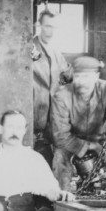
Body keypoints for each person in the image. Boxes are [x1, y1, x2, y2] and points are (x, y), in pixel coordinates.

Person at [50, 55, 106, 188]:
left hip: (102, 142)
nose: (81, 81)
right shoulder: (61, 96)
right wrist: (90, 146)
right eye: (78, 76)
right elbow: (60, 136)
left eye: (86, 76)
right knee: (59, 157)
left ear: (96, 76)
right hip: (72, 143)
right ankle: (62, 196)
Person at [31, 10, 71, 161]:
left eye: (54, 27)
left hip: (51, 119)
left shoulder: (56, 53)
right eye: (47, 26)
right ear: (39, 25)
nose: (51, 31)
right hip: (31, 115)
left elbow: (67, 74)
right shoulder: (29, 47)